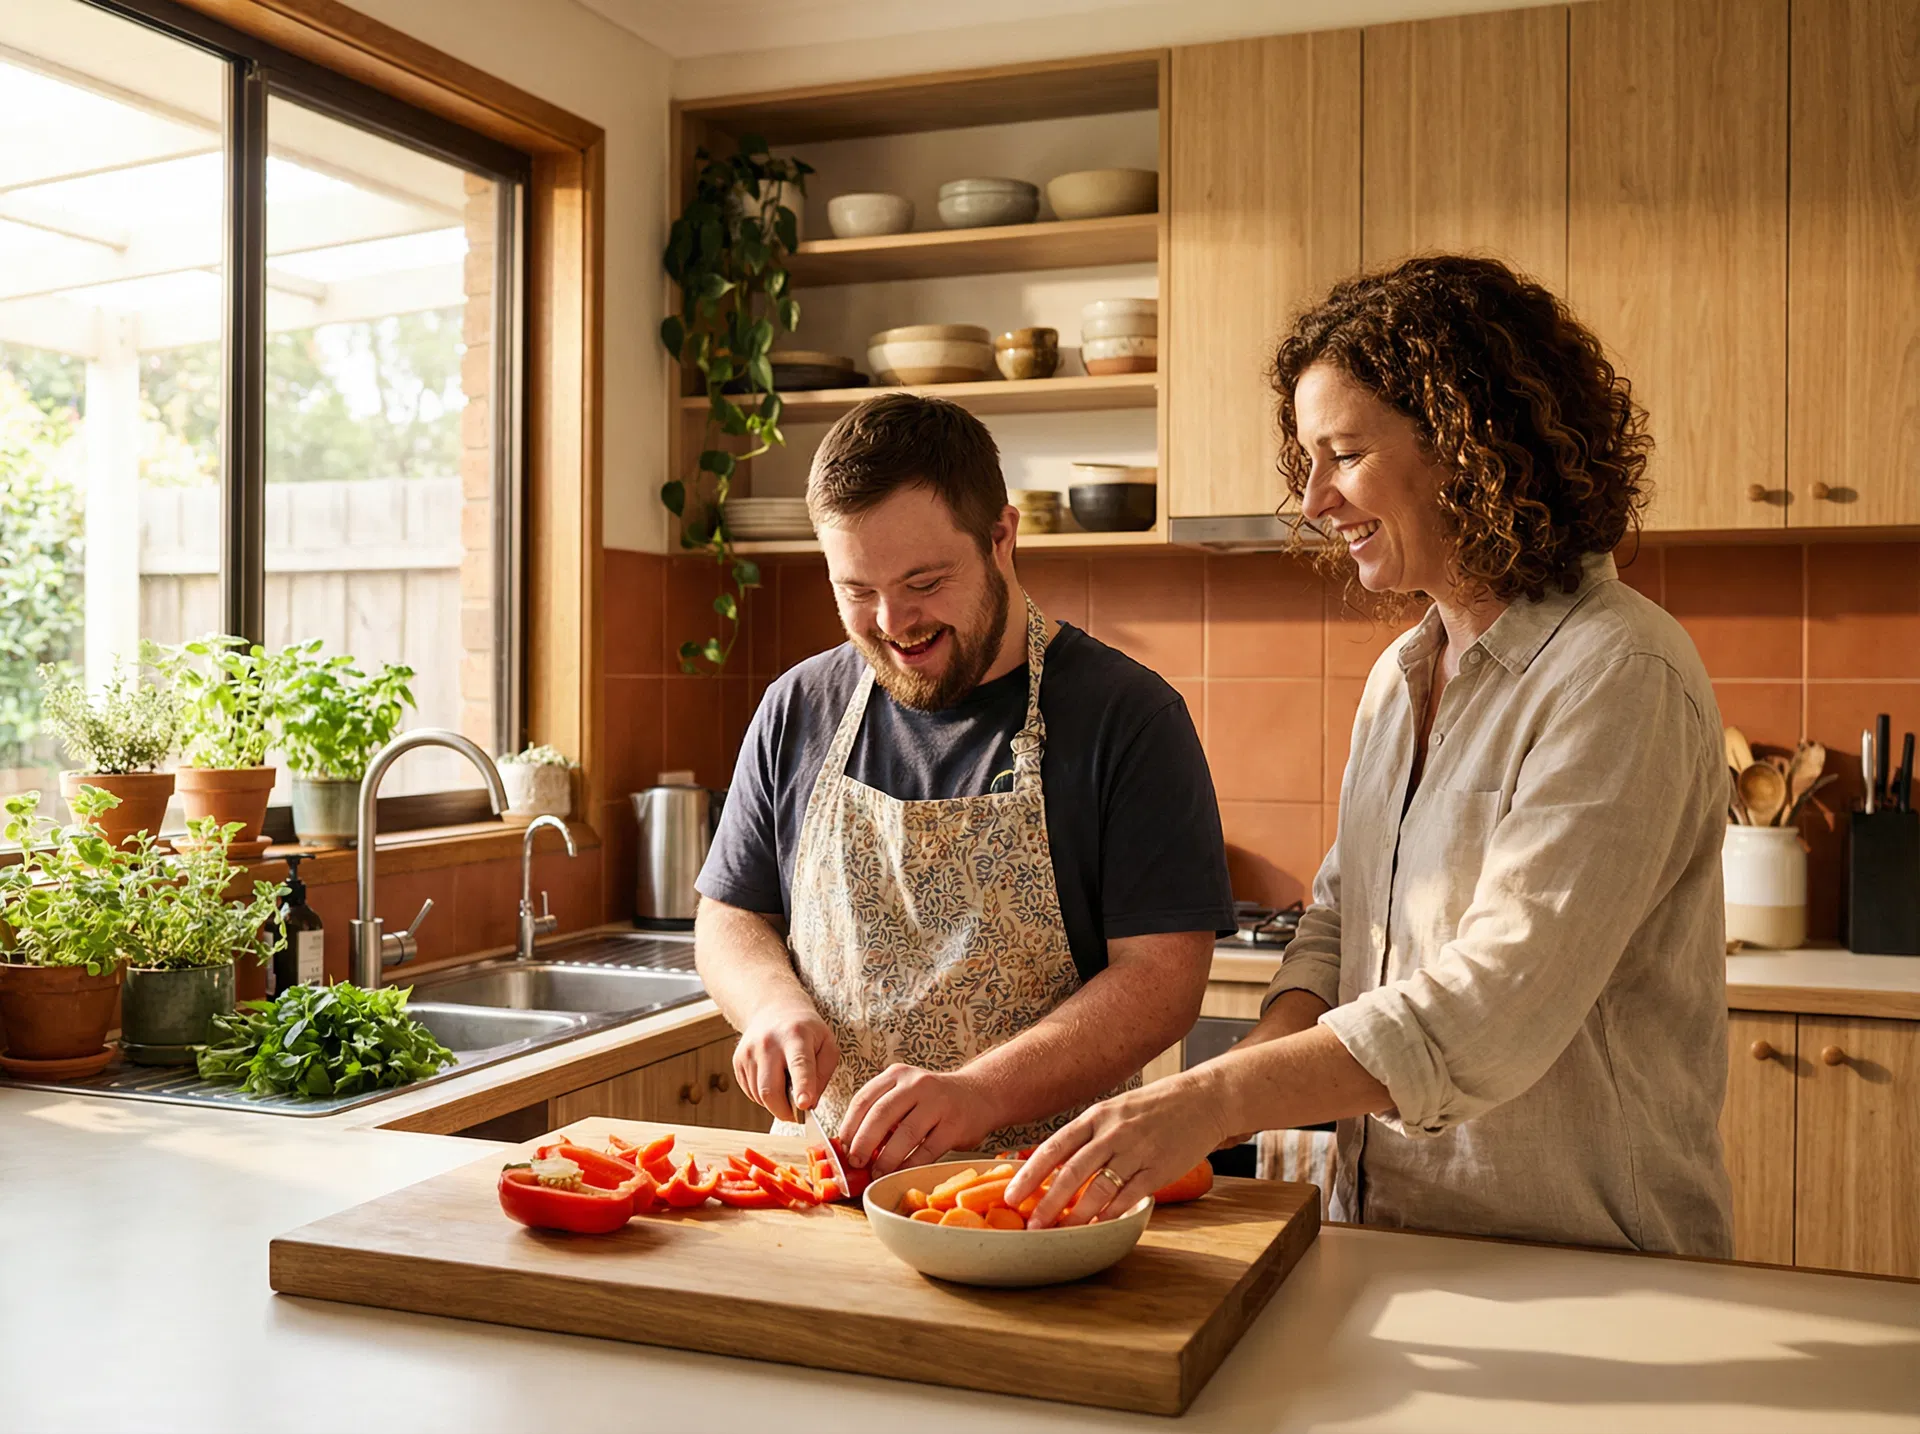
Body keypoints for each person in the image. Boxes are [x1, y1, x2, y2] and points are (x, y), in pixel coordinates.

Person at [1007, 255, 1735, 1257]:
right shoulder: (1403, 674)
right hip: (1388, 1235)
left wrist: (1213, 1100)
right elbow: (1341, 923)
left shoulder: (1620, 674)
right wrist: (1242, 1078)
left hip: (1584, 1261)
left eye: (1343, 454)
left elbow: (1492, 1004)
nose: (1313, 501)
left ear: (1469, 447)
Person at [694, 393, 1235, 1172]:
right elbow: (731, 915)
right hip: (819, 1181)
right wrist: (769, 1003)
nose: (891, 620)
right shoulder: (798, 707)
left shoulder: (1129, 717)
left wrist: (979, 1094)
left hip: (1045, 1193)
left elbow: (1161, 982)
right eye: (856, 590)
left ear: (1001, 537)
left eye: (924, 581)